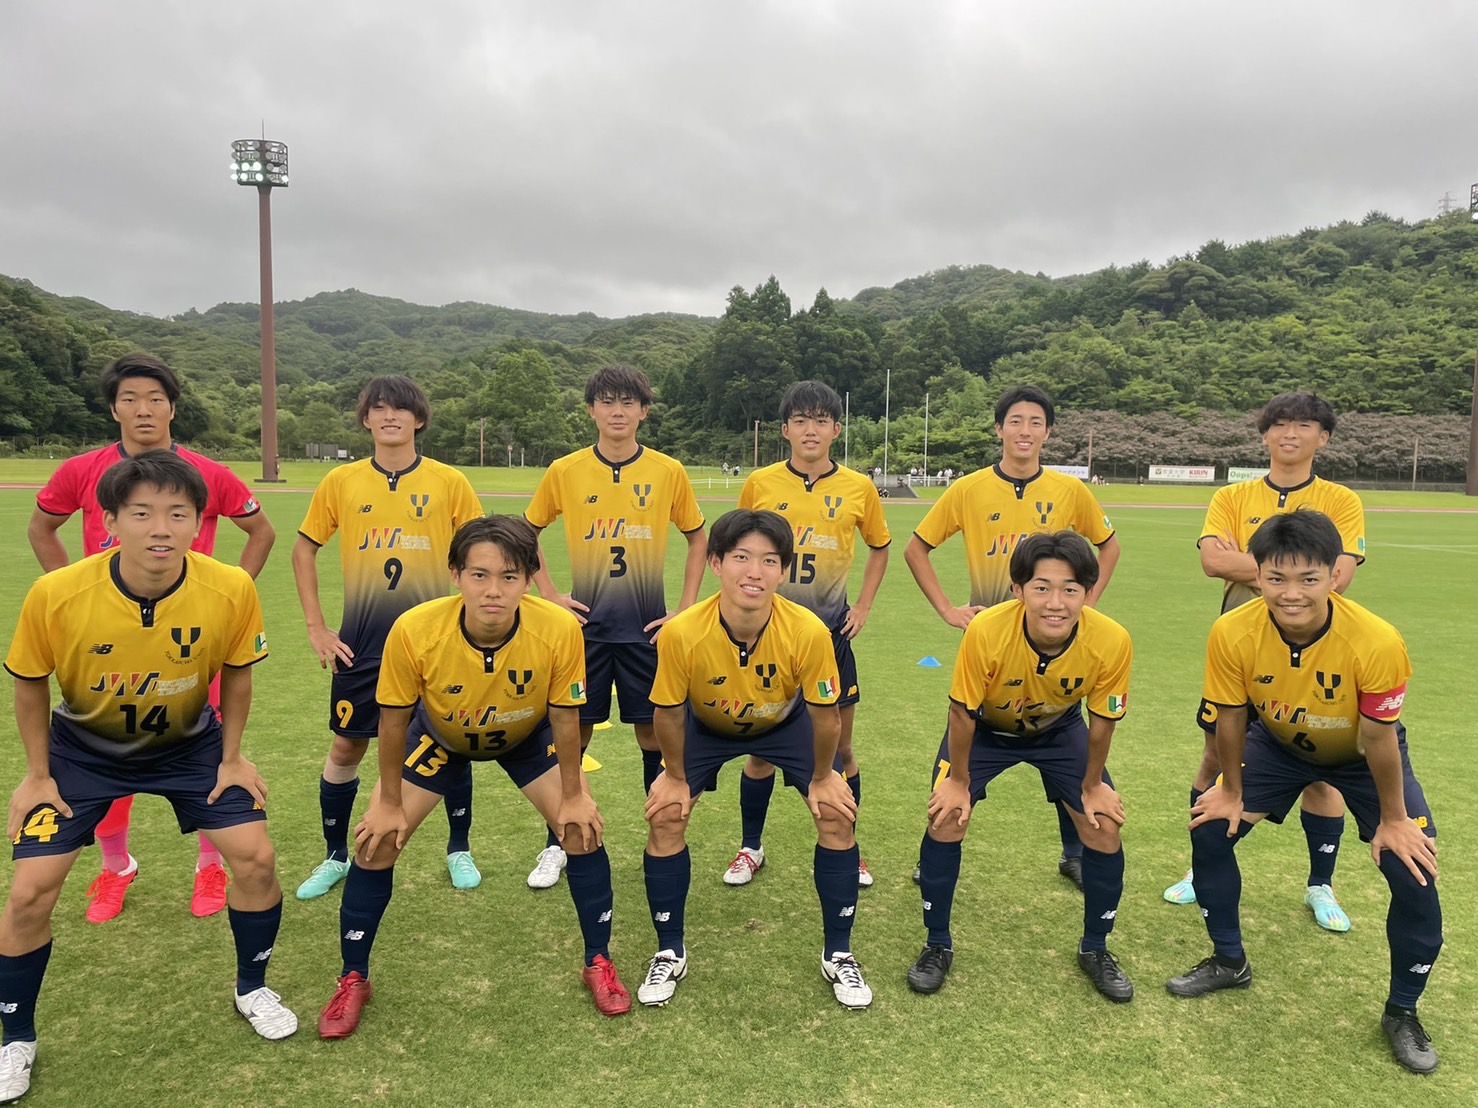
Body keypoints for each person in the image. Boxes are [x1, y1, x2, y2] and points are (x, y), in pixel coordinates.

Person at [0, 451, 297, 1102]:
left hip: (190, 747)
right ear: (109, 521)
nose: (160, 528)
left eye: (178, 514)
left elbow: (239, 673)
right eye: (141, 513)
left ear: (199, 523)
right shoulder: (57, 593)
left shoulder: (231, 587)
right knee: (28, 893)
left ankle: (252, 988)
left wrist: (233, 756)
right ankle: (14, 1036)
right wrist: (36, 775)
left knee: (256, 859)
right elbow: (29, 682)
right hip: (83, 752)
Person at [317, 516, 629, 1037]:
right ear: (456, 575)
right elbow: (392, 721)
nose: (493, 590)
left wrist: (574, 795)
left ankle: (598, 961)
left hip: (525, 735)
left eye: (509, 576)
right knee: (376, 843)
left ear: (528, 579)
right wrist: (388, 801)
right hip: (441, 736)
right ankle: (353, 978)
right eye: (479, 575)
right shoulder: (414, 629)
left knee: (581, 830)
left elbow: (565, 716)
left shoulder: (557, 628)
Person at [1166, 510, 1442, 1075]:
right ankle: (1229, 961)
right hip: (1277, 745)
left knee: (1415, 872)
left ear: (1334, 575)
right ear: (1257, 575)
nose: (1291, 593)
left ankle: (1402, 1011)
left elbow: (1379, 738)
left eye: (1308, 578)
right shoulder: (1232, 631)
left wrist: (1394, 820)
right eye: (1276, 578)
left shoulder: (1376, 640)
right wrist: (1231, 790)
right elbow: (1231, 717)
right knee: (1210, 828)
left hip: (1362, 757)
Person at [25, 352, 276, 922]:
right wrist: (71, 600)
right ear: (113, 408)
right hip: (106, 647)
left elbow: (259, 530)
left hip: (188, 644)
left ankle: (210, 866)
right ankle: (116, 867)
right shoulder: (81, 470)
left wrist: (229, 602)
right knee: (106, 750)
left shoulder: (207, 472)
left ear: (172, 408)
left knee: (206, 751)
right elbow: (42, 526)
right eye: (131, 399)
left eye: (156, 399)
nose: (144, 409)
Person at [638, 509, 870, 1010]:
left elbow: (826, 715)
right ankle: (669, 950)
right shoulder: (682, 632)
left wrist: (824, 776)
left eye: (769, 561)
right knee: (666, 815)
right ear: (716, 563)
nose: (754, 571)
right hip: (707, 726)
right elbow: (668, 713)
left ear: (783, 571)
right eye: (741, 557)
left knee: (836, 814)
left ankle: (839, 953)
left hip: (784, 724)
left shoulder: (808, 630)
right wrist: (674, 776)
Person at [903, 385, 1119, 890]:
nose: (1025, 431)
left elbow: (1108, 546)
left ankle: (1075, 852)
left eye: (1036, 422)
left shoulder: (1070, 490)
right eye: (1016, 421)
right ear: (999, 428)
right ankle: (935, 850)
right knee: (965, 737)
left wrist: (1085, 604)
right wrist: (948, 610)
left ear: (1049, 432)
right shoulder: (969, 489)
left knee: (1062, 731)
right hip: (992, 646)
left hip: (1056, 645)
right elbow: (916, 548)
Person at [1163, 393, 1366, 932]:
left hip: (1315, 656)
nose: (1290, 433)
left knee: (1320, 770)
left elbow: (1340, 577)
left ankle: (1320, 883)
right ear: (1264, 434)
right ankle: (1201, 865)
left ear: (1324, 437)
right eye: (1279, 424)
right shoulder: (1232, 495)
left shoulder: (1341, 500)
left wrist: (1252, 564)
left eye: (1304, 425)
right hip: (1240, 652)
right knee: (1215, 754)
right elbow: (1212, 562)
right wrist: (1294, 573)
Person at [907, 532, 1133, 1001]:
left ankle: (1096, 948)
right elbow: (962, 713)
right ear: (1018, 589)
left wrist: (1093, 784)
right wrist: (959, 781)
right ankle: (936, 943)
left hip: (1059, 729)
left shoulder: (1111, 640)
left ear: (1088, 592)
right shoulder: (986, 630)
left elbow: (1103, 721)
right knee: (947, 816)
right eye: (1041, 587)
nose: (1056, 603)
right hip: (985, 730)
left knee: (1104, 826)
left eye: (1070, 589)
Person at [292, 375, 486, 900]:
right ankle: (335, 854)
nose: (389, 416)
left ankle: (459, 847)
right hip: (362, 641)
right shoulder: (341, 481)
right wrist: (316, 627)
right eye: (378, 408)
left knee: (450, 742)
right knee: (346, 745)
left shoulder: (449, 481)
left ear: (418, 419)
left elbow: (481, 552)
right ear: (366, 419)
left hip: (437, 642)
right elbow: (303, 549)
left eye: (400, 409)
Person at [523, 365, 705, 889]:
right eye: (606, 401)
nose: (617, 411)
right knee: (572, 733)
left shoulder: (668, 470)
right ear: (591, 410)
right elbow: (526, 531)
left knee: (654, 731)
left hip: (648, 630)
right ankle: (557, 840)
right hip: (585, 631)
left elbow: (698, 536)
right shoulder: (566, 470)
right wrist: (550, 595)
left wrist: (685, 608)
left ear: (644, 410)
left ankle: (662, 831)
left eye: (628, 402)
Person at [726, 381, 889, 889]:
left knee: (841, 748)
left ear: (836, 429)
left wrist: (863, 605)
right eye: (800, 420)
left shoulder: (859, 487)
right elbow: (739, 546)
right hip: (767, 634)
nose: (810, 429)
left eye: (820, 420)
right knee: (760, 750)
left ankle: (849, 847)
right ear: (785, 429)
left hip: (829, 634)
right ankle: (751, 847)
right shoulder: (761, 482)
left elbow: (880, 546)